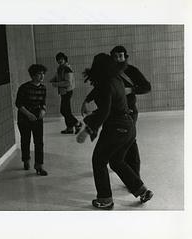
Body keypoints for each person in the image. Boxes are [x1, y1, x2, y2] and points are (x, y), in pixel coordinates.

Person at [77, 53, 153, 209]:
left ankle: (105, 199)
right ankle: (142, 190)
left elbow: (104, 111)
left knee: (99, 161)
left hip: (116, 128)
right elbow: (102, 95)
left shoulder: (105, 83)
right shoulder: (116, 78)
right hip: (128, 126)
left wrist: (87, 130)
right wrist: (87, 100)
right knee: (117, 161)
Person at [81, 46, 151, 177]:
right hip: (112, 112)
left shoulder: (131, 71)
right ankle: (119, 165)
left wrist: (131, 90)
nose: (118, 59)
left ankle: (134, 174)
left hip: (128, 110)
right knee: (116, 140)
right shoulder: (109, 72)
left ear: (125, 57)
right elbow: (100, 89)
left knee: (130, 142)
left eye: (121, 56)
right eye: (115, 56)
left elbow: (147, 87)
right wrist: (87, 99)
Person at [15, 64, 48, 176]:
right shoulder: (24, 88)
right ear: (33, 75)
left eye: (43, 73)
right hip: (24, 117)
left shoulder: (43, 88)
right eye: (39, 74)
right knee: (25, 139)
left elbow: (43, 102)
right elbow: (18, 104)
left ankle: (39, 165)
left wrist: (43, 110)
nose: (42, 76)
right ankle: (26, 159)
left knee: (39, 142)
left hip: (37, 117)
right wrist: (28, 114)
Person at [51, 52, 82, 134]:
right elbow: (58, 77)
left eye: (61, 59)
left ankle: (77, 123)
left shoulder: (67, 69)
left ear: (64, 59)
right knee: (66, 110)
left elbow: (68, 82)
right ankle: (70, 128)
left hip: (67, 91)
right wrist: (52, 80)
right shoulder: (61, 68)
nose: (59, 61)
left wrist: (56, 84)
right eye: (58, 60)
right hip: (63, 92)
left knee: (64, 111)